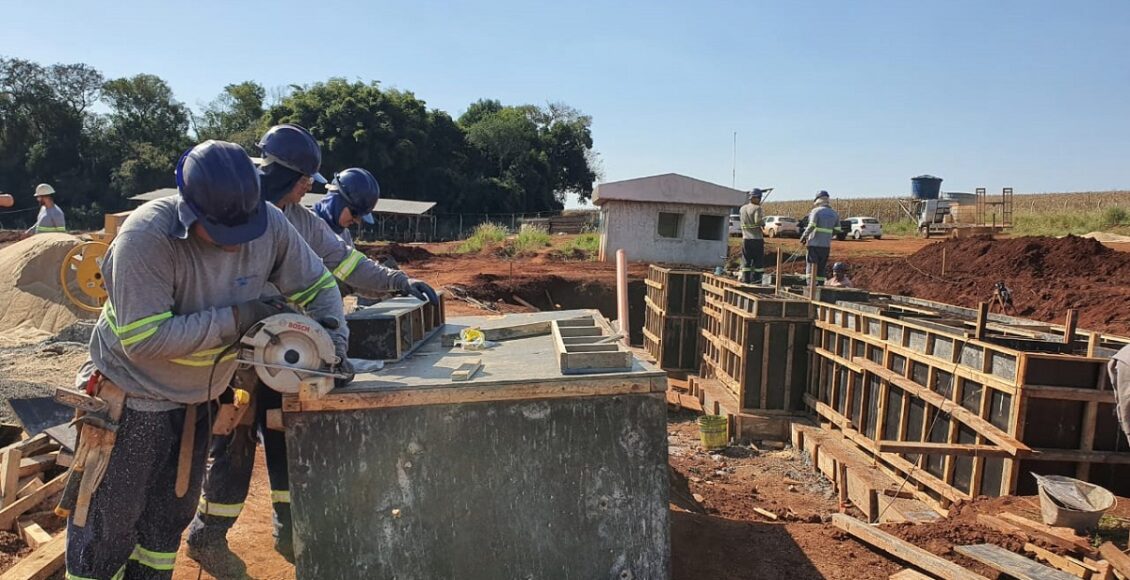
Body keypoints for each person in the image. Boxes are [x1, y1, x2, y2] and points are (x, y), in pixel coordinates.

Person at [64, 140, 348, 579]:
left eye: (245, 229)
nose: (236, 246)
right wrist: (239, 317)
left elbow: (316, 285)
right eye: (223, 232)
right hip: (132, 400)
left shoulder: (269, 222)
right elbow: (144, 339)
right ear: (190, 210)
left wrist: (332, 340)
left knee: (165, 525)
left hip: (198, 402)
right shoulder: (146, 239)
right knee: (106, 528)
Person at [187, 125, 437, 574]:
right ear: (282, 173)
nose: (308, 188)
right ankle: (208, 534)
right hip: (236, 352)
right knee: (236, 440)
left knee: (287, 434)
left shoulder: (297, 220)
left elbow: (344, 262)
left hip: (291, 348)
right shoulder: (231, 209)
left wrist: (398, 281)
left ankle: (288, 524)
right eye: (304, 180)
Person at [312, 169, 438, 303]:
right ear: (336, 201)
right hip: (296, 319)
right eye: (355, 213)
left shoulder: (343, 234)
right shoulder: (306, 227)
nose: (357, 221)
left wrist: (400, 285)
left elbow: (357, 277)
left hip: (322, 317)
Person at [799, 190, 840, 286]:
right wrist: (828, 235)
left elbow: (811, 225)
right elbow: (838, 229)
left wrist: (804, 236)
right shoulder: (834, 213)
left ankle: (810, 287)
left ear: (817, 200)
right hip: (826, 246)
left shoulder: (816, 211)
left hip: (814, 244)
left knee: (811, 266)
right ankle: (820, 287)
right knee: (821, 268)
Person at [738, 188, 767, 284]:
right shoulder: (757, 208)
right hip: (756, 239)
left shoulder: (742, 208)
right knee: (758, 262)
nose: (759, 200)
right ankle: (757, 281)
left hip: (746, 239)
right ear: (756, 198)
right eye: (759, 198)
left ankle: (745, 280)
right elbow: (757, 221)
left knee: (746, 260)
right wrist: (763, 223)